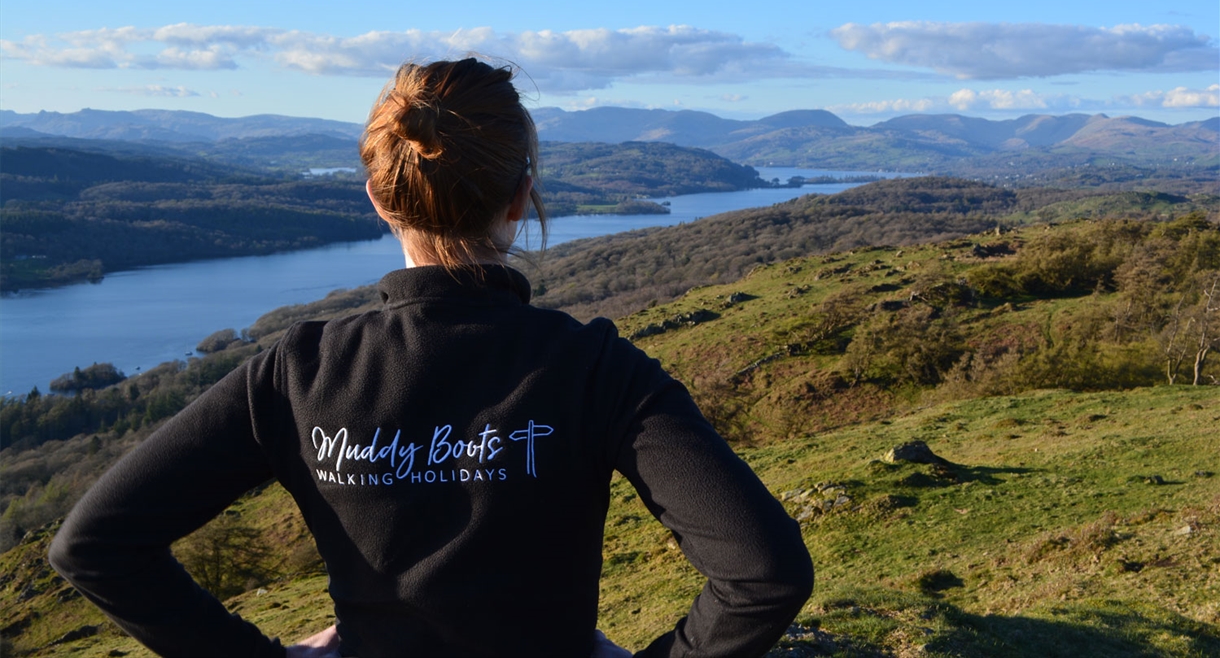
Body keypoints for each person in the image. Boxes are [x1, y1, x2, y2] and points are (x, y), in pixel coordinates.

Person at [49, 58, 813, 657]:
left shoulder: (302, 370)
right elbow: (764, 571)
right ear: (521, 197)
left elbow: (95, 543)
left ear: (380, 198)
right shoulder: (595, 369)